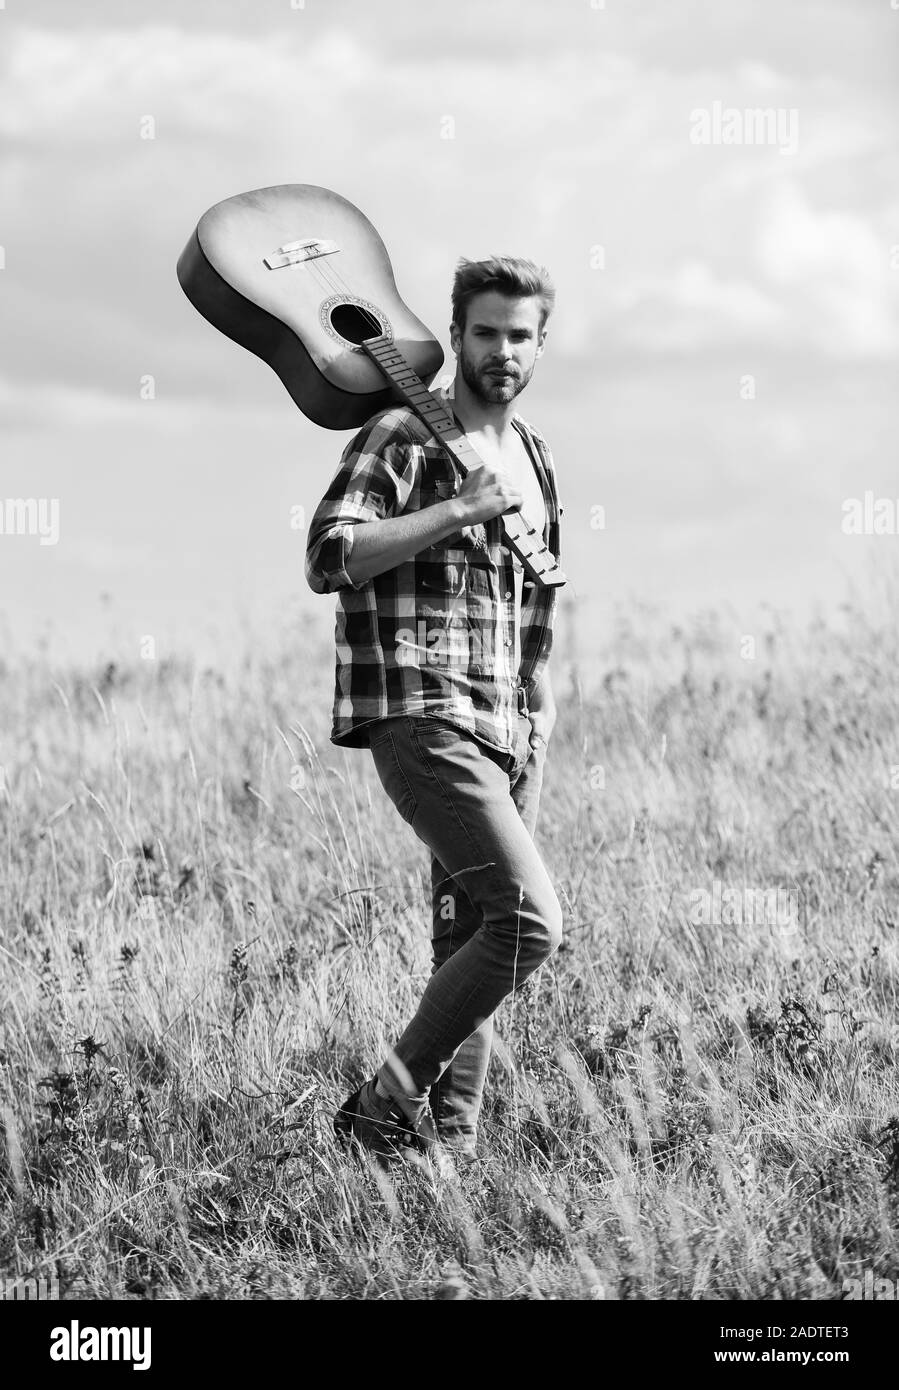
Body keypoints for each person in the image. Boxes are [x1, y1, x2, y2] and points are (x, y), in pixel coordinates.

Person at [305, 256, 564, 1164]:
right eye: (485, 331)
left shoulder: (533, 457)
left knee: (474, 940)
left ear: (540, 345)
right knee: (531, 924)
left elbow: (533, 614)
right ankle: (380, 1104)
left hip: (508, 732)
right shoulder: (400, 436)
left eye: (519, 334)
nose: (501, 349)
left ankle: (444, 1155)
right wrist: (454, 510)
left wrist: (538, 713)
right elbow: (328, 556)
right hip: (421, 712)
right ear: (454, 336)